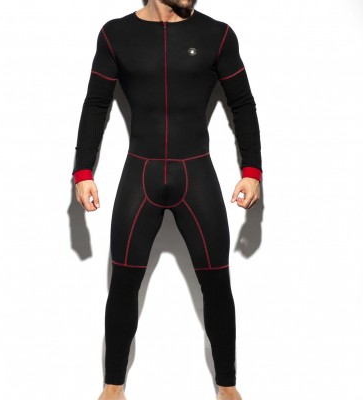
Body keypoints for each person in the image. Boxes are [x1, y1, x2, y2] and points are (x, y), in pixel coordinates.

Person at [72, 1, 262, 399]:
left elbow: (242, 102)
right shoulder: (115, 35)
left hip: (197, 175)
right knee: (124, 283)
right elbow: (96, 103)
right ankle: (112, 387)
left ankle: (227, 386)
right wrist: (83, 171)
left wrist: (252, 170)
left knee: (217, 282)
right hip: (139, 175)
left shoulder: (217, 35)